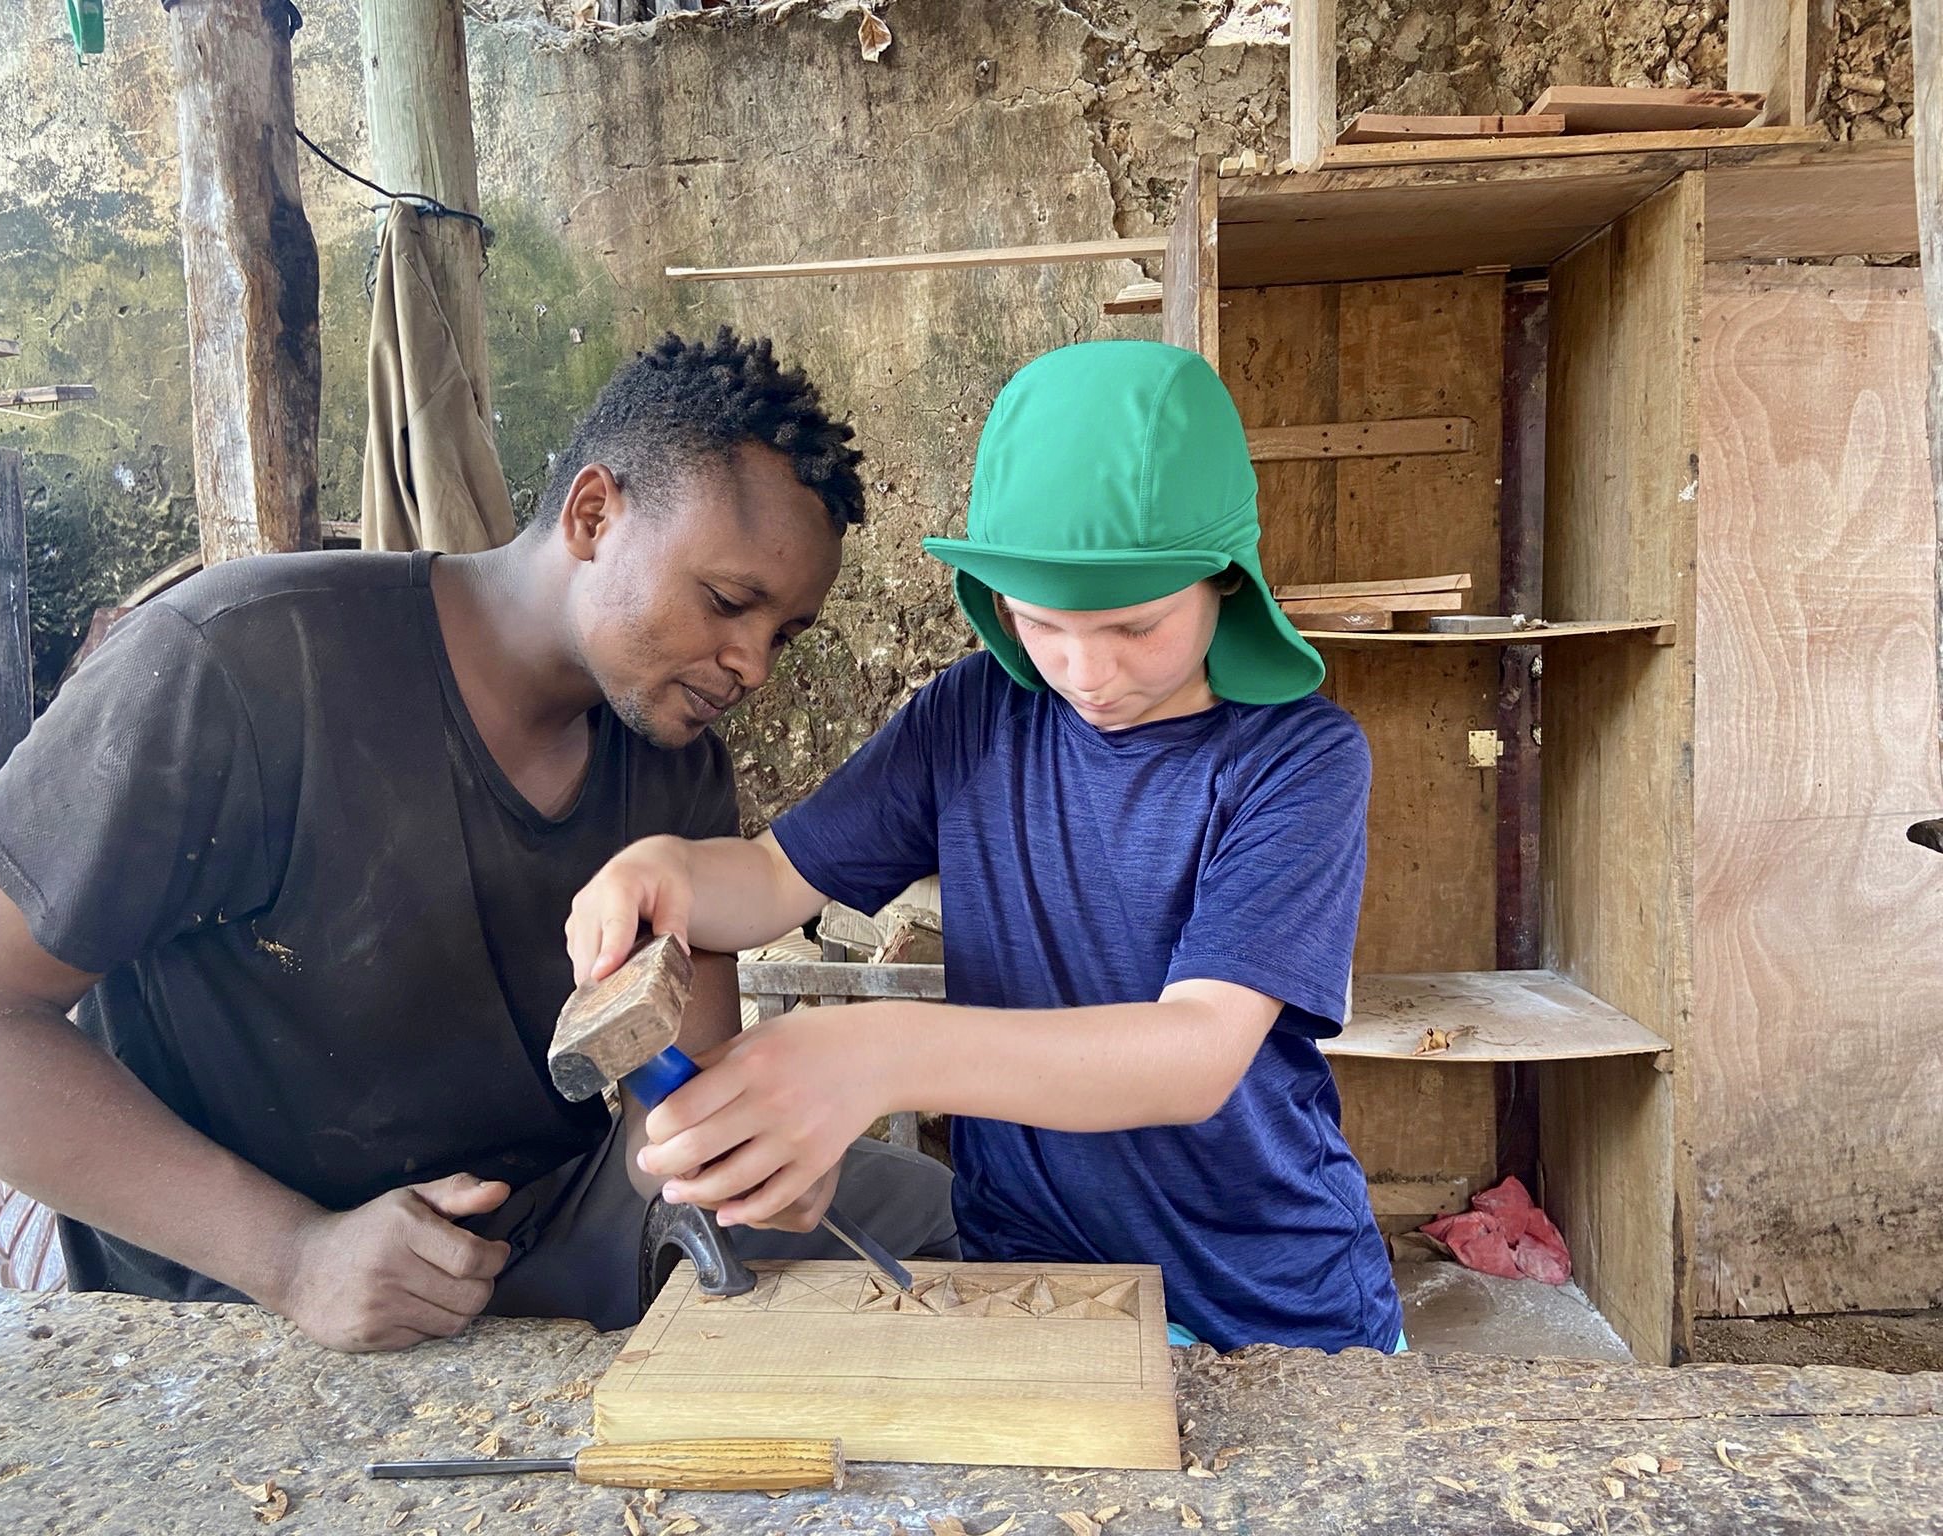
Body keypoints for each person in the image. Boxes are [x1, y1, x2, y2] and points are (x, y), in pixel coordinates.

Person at [0, 330, 954, 1351]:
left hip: (552, 1238)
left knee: (940, 1223)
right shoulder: (244, 665)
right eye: (727, 602)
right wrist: (291, 1255)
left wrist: (727, 1152)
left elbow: (668, 1103)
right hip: (255, 1288)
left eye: (782, 633)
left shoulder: (673, 766)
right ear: (593, 513)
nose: (752, 664)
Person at [565, 340, 1402, 1352]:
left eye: (1134, 627)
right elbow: (775, 878)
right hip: (1029, 1281)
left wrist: (877, 1055)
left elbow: (1193, 1054)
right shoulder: (975, 715)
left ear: (1223, 581)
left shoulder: (1295, 761)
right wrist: (666, 870)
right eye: (1042, 623)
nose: (1084, 671)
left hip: (1265, 1303)